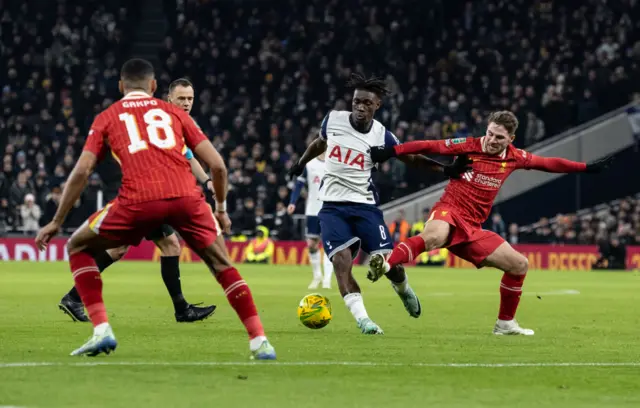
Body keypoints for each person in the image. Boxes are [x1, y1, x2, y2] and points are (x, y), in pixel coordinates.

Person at [36, 58, 276, 359]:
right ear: (154, 87)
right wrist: (221, 208)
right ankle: (259, 341)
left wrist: (57, 221)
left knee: (77, 245)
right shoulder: (174, 114)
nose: (187, 102)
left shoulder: (107, 117)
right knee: (222, 264)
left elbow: (82, 172)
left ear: (121, 86)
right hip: (186, 199)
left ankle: (101, 329)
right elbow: (218, 165)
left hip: (138, 200)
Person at [368, 110, 613, 335]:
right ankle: (386, 265)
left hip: (473, 229)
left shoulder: (516, 157)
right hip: (450, 210)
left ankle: (505, 323)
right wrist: (392, 152)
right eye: (489, 133)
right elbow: (430, 145)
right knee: (433, 237)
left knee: (519, 265)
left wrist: (586, 168)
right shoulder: (469, 145)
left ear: (511, 138)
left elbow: (548, 164)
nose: (491, 140)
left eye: (498, 137)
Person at [288, 73, 470, 334]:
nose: (360, 107)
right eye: (356, 101)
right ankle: (364, 320)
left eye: (366, 103)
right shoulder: (333, 119)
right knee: (341, 262)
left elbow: (411, 158)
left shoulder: (381, 135)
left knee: (386, 262)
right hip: (331, 207)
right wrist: (300, 163)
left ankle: (404, 289)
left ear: (377, 106)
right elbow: (320, 143)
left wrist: (444, 170)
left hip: (365, 207)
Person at [58, 78, 216, 324]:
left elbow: (188, 156)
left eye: (190, 99)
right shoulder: (162, 119)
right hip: (150, 193)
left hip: (148, 194)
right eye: (181, 98)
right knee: (170, 246)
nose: (186, 103)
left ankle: (74, 297)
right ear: (169, 98)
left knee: (118, 249)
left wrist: (206, 181)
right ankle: (181, 309)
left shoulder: (174, 121)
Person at [287, 151, 334, 289]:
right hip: (312, 210)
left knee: (328, 245)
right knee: (311, 245)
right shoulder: (309, 165)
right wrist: (292, 202)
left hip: (329, 210)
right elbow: (299, 185)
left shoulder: (334, 163)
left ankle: (327, 280)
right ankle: (317, 276)